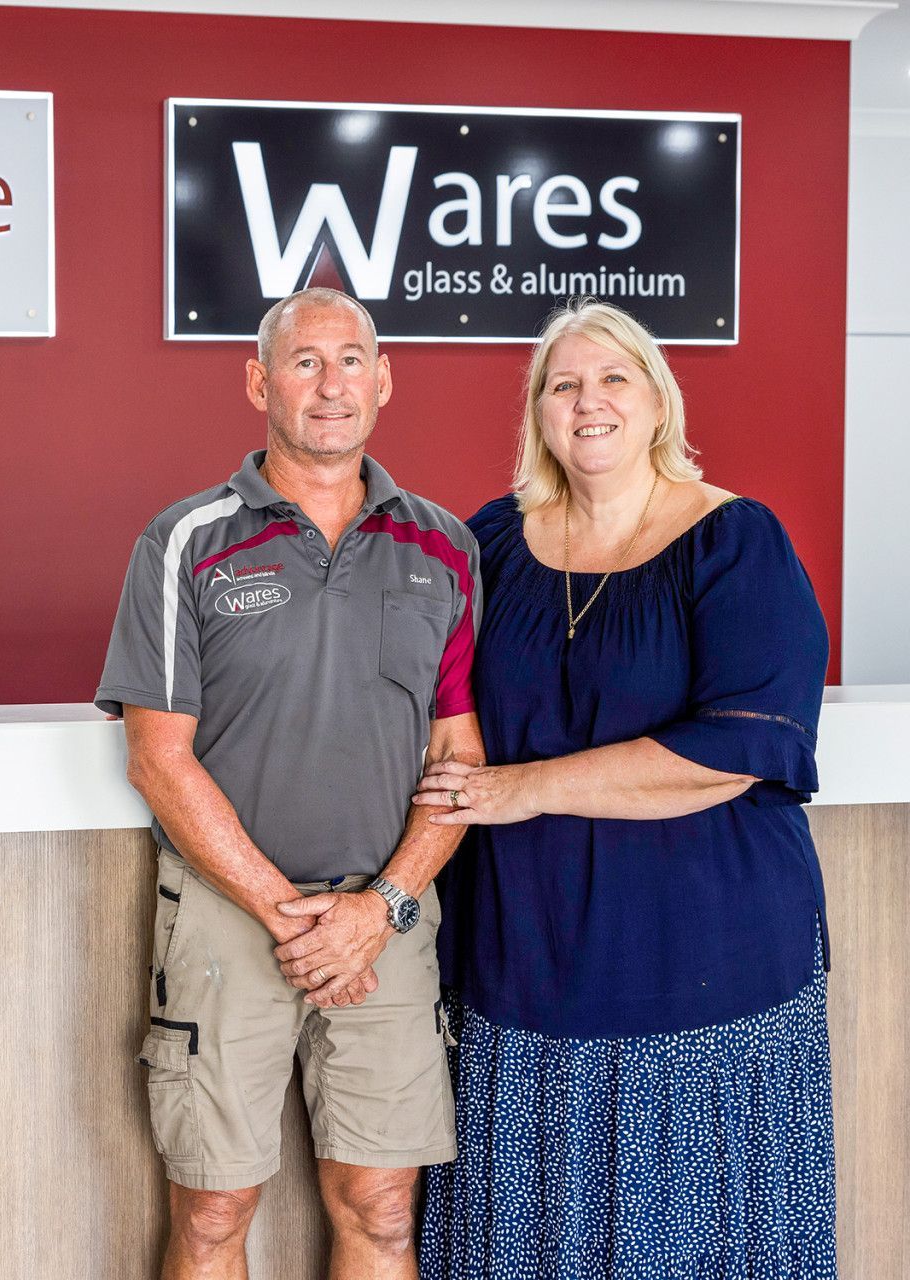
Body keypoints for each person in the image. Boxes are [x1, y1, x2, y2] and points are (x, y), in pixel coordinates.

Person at [415, 299, 836, 1278]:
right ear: (538, 412)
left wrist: (521, 789)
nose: (587, 400)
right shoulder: (491, 542)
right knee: (523, 1240)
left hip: (704, 964)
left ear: (657, 402)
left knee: (692, 1241)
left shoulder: (735, 540)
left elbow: (733, 750)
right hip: (524, 958)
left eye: (613, 377)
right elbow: (407, 678)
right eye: (563, 383)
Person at [96, 287, 486, 1280]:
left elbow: (459, 756)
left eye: (351, 359)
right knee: (215, 1211)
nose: (330, 384)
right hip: (230, 915)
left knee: (384, 1210)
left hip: (384, 920)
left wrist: (378, 907)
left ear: (385, 379)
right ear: (259, 381)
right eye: (305, 361)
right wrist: (298, 920)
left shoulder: (446, 547)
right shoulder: (186, 540)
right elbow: (158, 756)